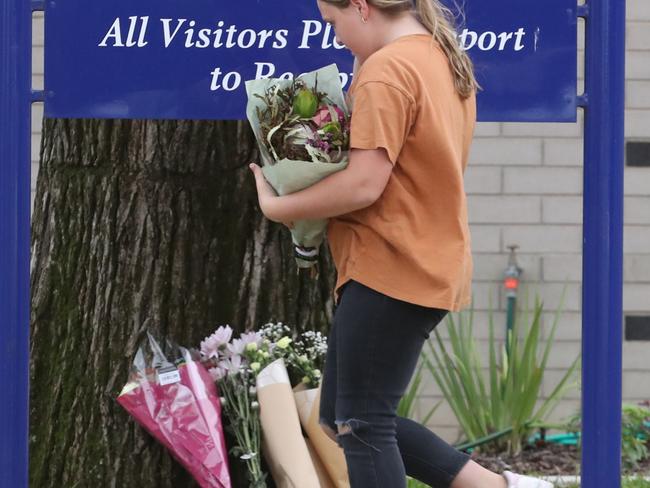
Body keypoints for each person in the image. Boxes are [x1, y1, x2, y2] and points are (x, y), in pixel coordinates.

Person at [249, 1, 554, 487]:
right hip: (425, 259)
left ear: (363, 8)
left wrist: (277, 206)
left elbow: (364, 184)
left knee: (362, 425)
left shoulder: (388, 70)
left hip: (392, 263)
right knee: (341, 419)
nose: (336, 38)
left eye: (334, 23)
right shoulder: (437, 55)